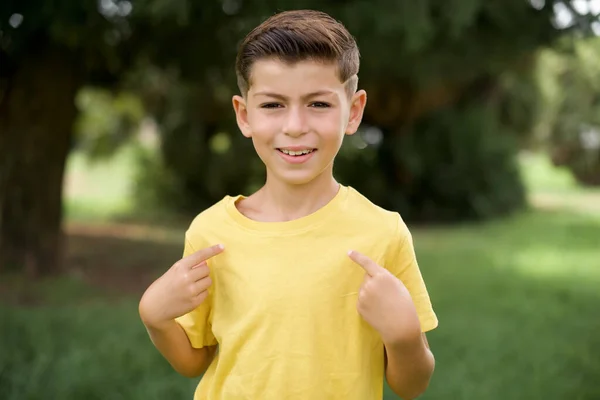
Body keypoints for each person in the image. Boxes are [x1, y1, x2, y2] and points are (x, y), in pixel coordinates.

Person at [139, 9, 438, 400]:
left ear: (355, 111)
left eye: (318, 104)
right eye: (273, 105)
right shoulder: (211, 232)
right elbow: (193, 362)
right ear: (244, 116)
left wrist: (403, 336)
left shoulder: (383, 233)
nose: (295, 125)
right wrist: (154, 317)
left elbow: (410, 386)